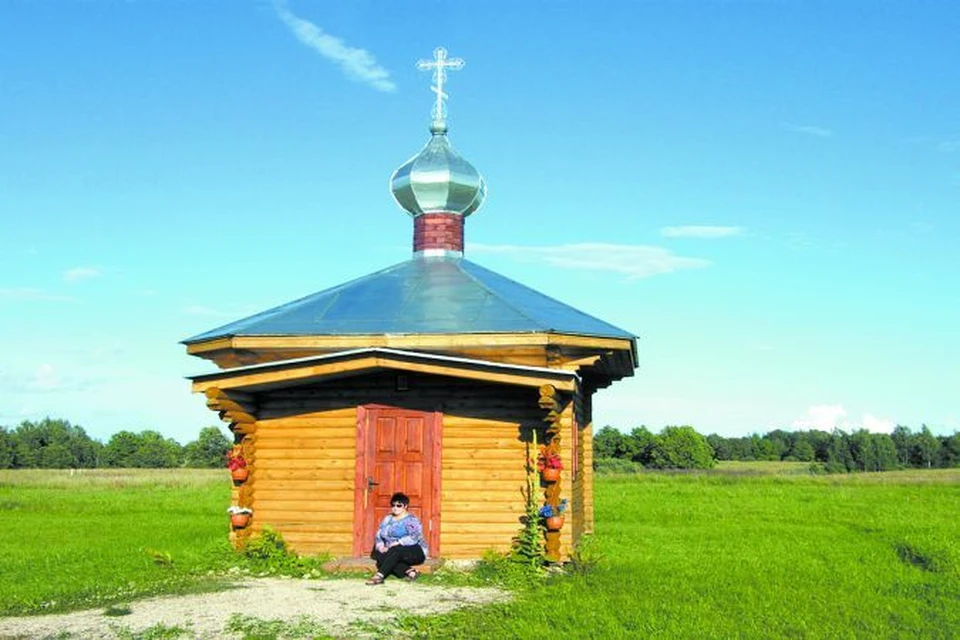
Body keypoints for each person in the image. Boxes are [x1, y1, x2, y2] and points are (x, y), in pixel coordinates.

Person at [366, 492, 428, 584]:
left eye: (399, 505)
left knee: (394, 551)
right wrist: (381, 546)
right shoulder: (387, 519)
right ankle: (411, 572)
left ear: (405, 506)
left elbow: (415, 537)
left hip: (415, 551)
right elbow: (379, 534)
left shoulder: (411, 520)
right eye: (393, 505)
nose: (395, 508)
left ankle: (379, 576)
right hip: (393, 550)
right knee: (381, 557)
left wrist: (399, 542)